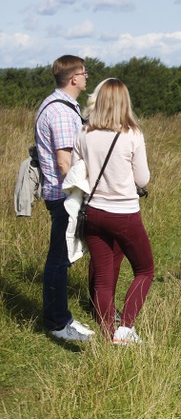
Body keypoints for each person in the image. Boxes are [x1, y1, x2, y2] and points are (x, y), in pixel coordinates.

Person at [72, 78, 154, 344]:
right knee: (144, 269)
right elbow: (142, 179)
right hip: (124, 212)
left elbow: (77, 173)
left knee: (103, 278)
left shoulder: (84, 132)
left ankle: (108, 332)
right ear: (124, 102)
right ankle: (126, 327)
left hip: (93, 211)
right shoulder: (132, 134)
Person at [34, 54, 95, 342]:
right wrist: (85, 193)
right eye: (84, 73)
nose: (86, 78)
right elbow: (63, 161)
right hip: (63, 195)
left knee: (61, 257)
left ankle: (59, 317)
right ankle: (58, 322)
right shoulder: (60, 112)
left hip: (61, 193)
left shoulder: (61, 105)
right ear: (73, 78)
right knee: (60, 259)